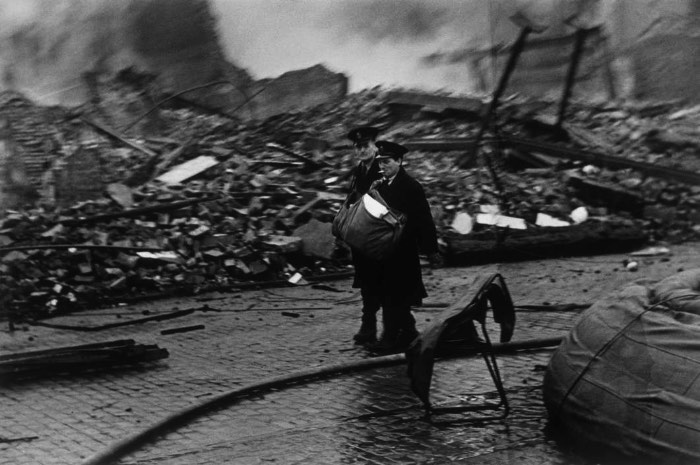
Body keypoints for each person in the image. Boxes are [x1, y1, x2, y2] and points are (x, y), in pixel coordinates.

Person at [367, 140, 440, 353]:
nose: (382, 166)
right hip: (384, 249)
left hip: (402, 250)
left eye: (387, 162)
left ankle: (389, 338)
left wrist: (431, 249)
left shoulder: (410, 186)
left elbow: (424, 219)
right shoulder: (382, 185)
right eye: (380, 162)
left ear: (399, 161)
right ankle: (408, 332)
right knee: (392, 294)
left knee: (393, 294)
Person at [345, 126, 384, 344]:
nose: (361, 150)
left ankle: (401, 330)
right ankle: (368, 327)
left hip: (381, 235)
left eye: (365, 146)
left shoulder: (384, 168)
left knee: (388, 283)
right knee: (367, 283)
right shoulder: (359, 171)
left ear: (375, 146)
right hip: (363, 236)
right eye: (357, 147)